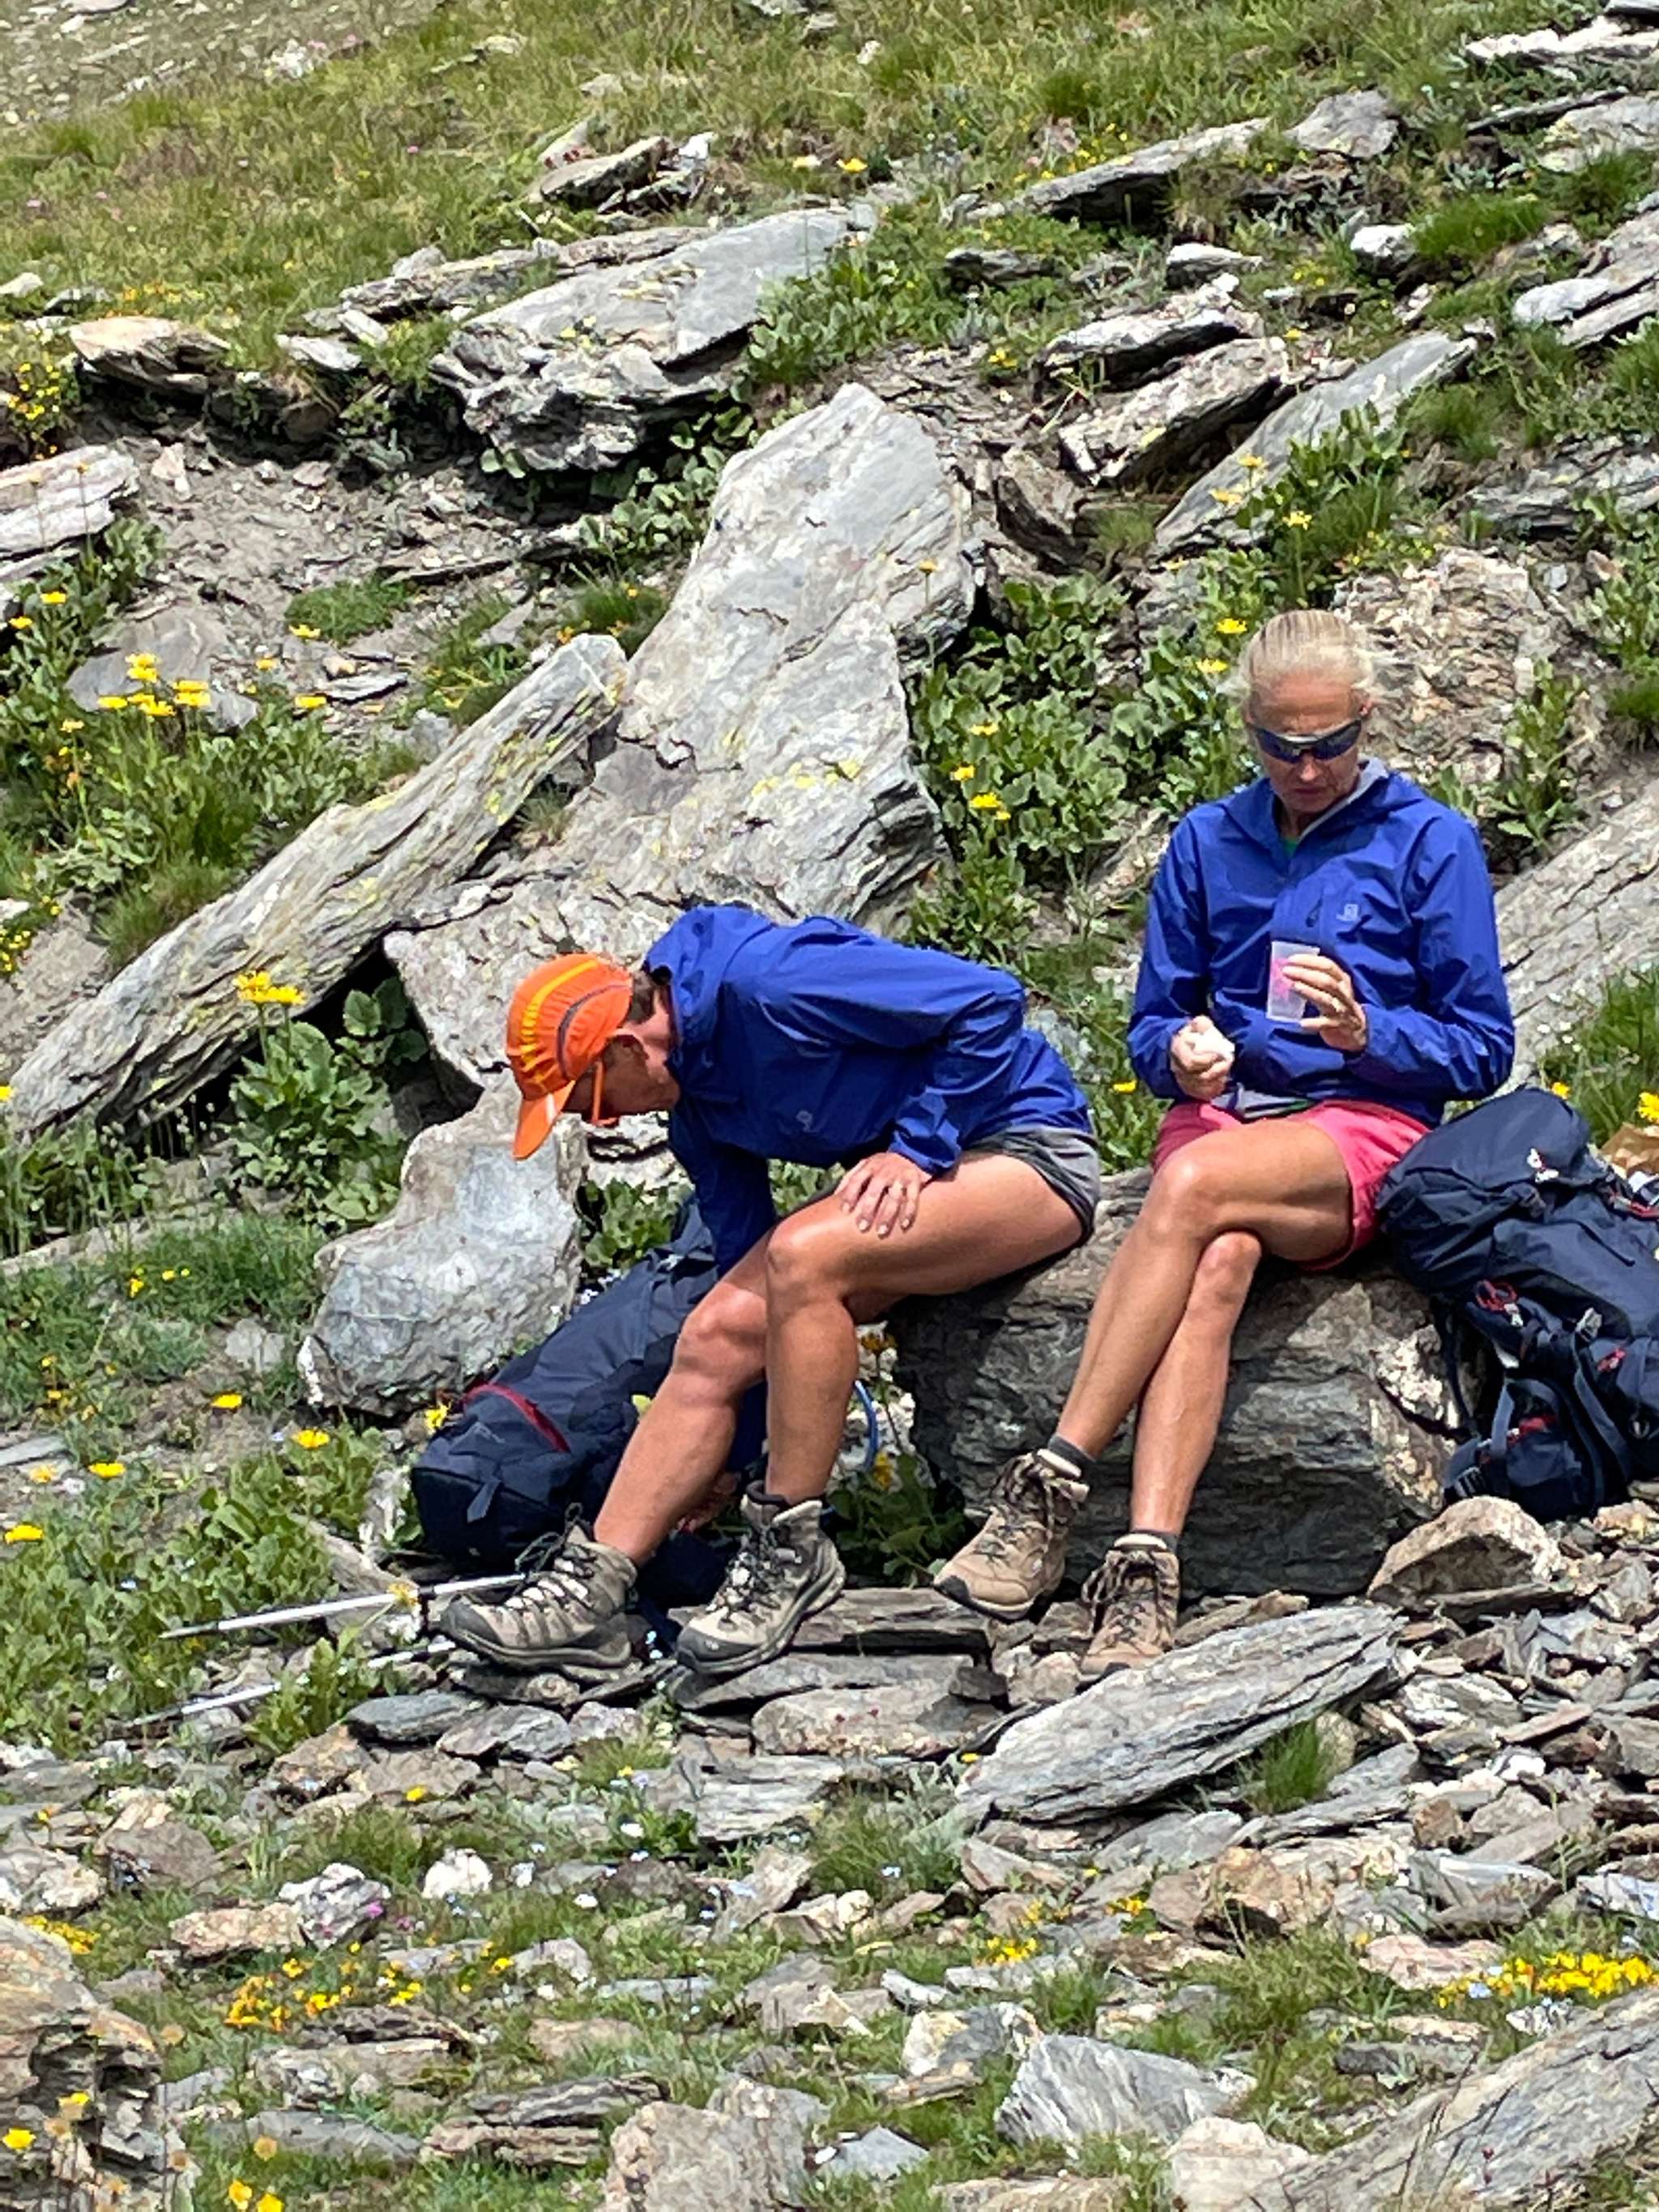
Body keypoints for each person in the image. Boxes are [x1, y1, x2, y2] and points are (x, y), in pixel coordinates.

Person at [934, 607, 1515, 1680]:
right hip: (1225, 1113)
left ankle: (1050, 1481)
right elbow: (1153, 1022)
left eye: (1330, 743)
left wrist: (1369, 1034)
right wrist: (1179, 1053)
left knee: (1195, 1185)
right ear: (1247, 727)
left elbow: (1482, 1048)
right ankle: (1146, 1567)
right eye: (1280, 745)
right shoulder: (1207, 841)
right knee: (1217, 1259)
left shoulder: (1428, 841)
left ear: (1368, 719)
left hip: (1359, 1122)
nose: (1306, 768)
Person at [442, 906, 1101, 1681]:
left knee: (803, 1254)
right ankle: (592, 1590)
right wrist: (733, 1453)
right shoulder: (696, 1109)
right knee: (717, 1327)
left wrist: (918, 1147)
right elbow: (750, 1290)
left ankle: (790, 1548)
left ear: (626, 1046)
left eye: (594, 1100)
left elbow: (989, 1000)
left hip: (1029, 1149)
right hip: (922, 1192)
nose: (606, 1122)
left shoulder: (774, 984)